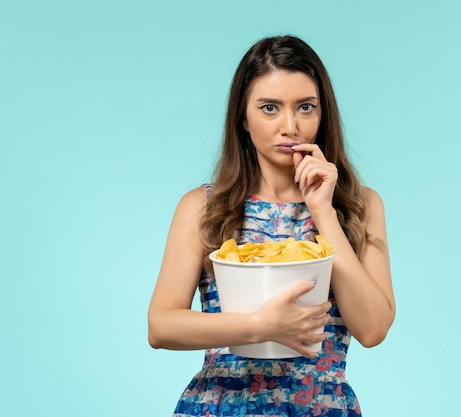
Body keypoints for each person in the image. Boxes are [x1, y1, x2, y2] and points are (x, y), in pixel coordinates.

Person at [148, 35, 395, 416]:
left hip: (320, 407)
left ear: (322, 113)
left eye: (306, 107)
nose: (290, 126)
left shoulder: (360, 205)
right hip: (221, 405)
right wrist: (259, 326)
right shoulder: (203, 207)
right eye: (269, 108)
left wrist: (323, 211)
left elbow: (373, 328)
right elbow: (161, 326)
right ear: (243, 118)